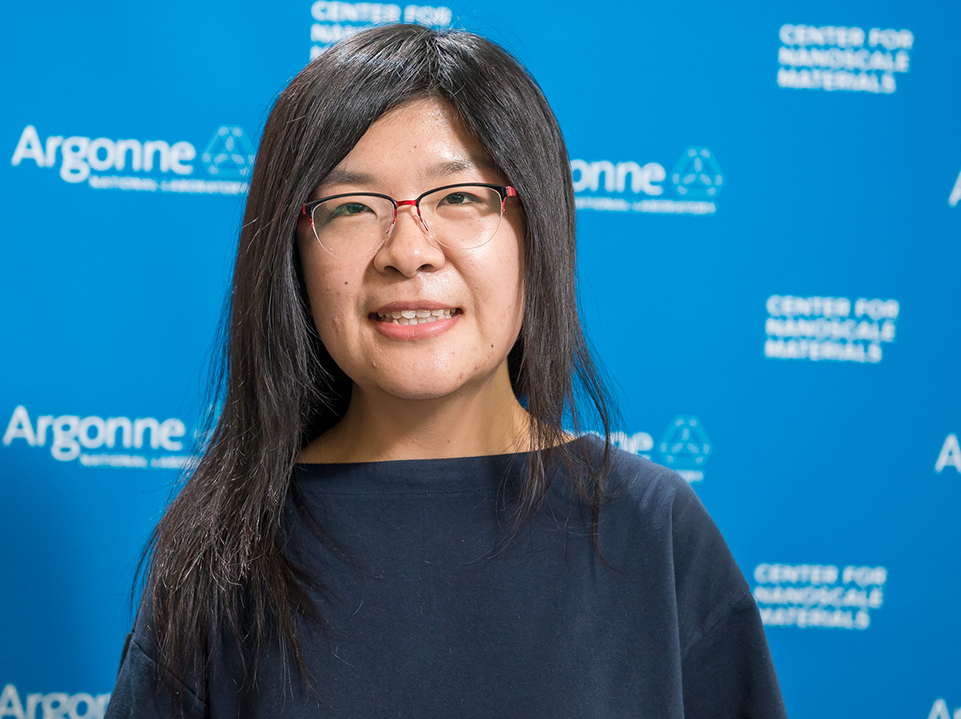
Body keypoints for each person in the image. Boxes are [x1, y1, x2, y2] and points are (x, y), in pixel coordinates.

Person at [104, 23, 787, 718]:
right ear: (292, 257)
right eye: (349, 207)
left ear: (537, 230)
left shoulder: (654, 533)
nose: (408, 250)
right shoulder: (226, 555)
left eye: (461, 197)